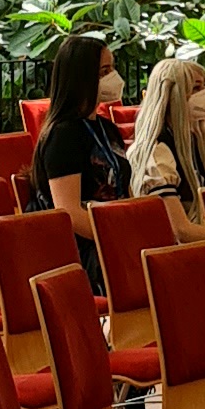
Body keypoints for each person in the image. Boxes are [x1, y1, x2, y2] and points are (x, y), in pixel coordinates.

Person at [32, 32, 131, 271]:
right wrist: (117, 238)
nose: (113, 77)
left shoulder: (107, 128)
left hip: (115, 234)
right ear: (82, 77)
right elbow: (69, 212)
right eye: (104, 71)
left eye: (113, 68)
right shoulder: (63, 135)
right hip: (85, 249)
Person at [126, 51, 205, 237]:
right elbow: (180, 230)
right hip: (177, 247)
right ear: (173, 96)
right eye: (196, 88)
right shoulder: (157, 151)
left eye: (204, 87)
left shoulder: (195, 141)